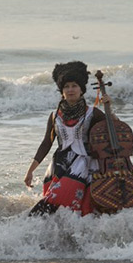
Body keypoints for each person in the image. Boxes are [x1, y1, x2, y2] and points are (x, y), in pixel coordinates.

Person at [23, 61, 109, 216]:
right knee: (57, 211)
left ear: (81, 90)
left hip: (83, 165)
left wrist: (110, 108)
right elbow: (46, 144)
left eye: (74, 86)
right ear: (61, 91)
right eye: (66, 86)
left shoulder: (93, 113)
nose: (70, 90)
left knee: (58, 204)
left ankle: (28, 224)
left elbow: (113, 129)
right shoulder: (54, 115)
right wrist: (30, 171)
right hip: (59, 164)